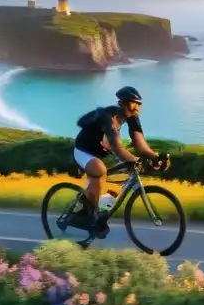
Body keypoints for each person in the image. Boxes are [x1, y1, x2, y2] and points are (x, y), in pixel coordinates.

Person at [72, 86, 168, 232]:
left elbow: (140, 144)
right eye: (133, 103)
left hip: (101, 154)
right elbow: (117, 148)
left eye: (139, 104)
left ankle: (95, 205)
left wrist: (155, 157)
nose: (137, 108)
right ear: (123, 103)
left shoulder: (132, 118)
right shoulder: (108, 117)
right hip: (83, 150)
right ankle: (89, 216)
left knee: (121, 180)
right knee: (100, 171)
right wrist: (136, 160)